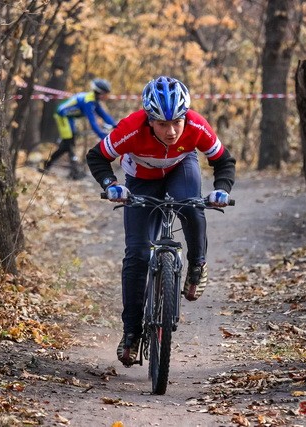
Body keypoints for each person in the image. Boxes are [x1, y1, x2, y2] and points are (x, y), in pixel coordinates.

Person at [86, 76, 236, 366]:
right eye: (162, 124)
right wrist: (110, 184)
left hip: (181, 169)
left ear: (185, 117)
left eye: (177, 122)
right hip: (141, 179)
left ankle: (197, 266)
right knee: (137, 254)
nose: (171, 131)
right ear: (149, 121)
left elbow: (224, 160)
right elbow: (97, 157)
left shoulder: (196, 125)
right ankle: (131, 333)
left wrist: (221, 190)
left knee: (191, 205)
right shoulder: (130, 128)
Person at [40, 78, 117, 179]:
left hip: (70, 117)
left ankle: (52, 166)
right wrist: (104, 138)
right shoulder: (88, 101)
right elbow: (93, 123)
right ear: (100, 92)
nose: (107, 96)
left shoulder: (94, 100)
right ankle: (54, 167)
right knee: (68, 143)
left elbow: (103, 115)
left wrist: (116, 125)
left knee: (68, 144)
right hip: (62, 116)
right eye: (106, 94)